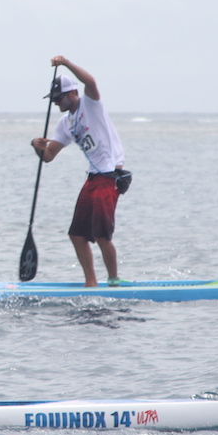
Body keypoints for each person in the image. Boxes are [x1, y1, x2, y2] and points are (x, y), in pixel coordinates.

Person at [30, 55, 127, 288]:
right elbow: (49, 156)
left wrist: (66, 64)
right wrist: (36, 145)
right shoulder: (65, 123)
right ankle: (91, 282)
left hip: (110, 175)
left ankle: (113, 281)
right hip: (93, 178)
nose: (55, 102)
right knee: (76, 234)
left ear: (72, 93)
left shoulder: (90, 105)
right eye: (53, 99)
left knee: (102, 235)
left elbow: (91, 82)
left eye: (58, 97)